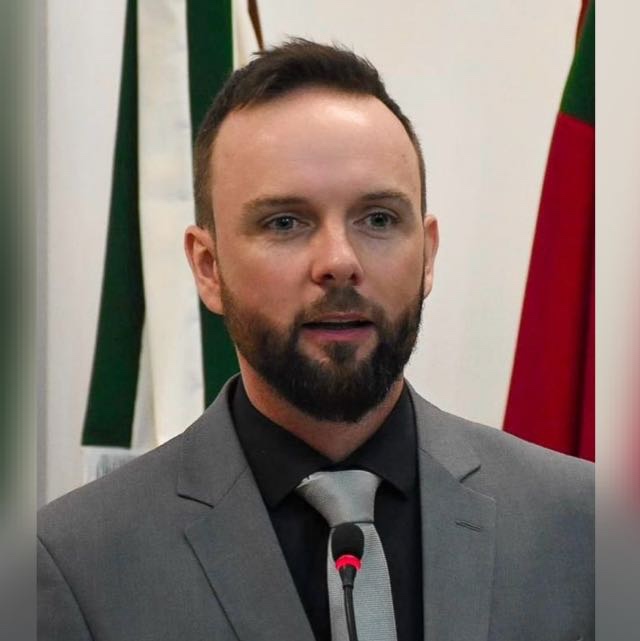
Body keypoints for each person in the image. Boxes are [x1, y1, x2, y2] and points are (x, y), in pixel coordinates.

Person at [38, 40, 594, 641]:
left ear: (428, 255)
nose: (339, 262)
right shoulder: (75, 563)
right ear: (208, 267)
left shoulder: (585, 527)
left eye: (378, 219)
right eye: (285, 222)